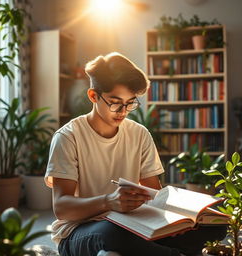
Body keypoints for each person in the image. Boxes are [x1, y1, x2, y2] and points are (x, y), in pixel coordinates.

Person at [45, 52, 226, 256]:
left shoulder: (139, 134)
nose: (123, 111)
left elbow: (154, 196)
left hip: (132, 223)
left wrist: (177, 219)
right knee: (114, 235)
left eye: (130, 102)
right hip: (81, 230)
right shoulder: (68, 137)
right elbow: (62, 207)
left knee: (214, 225)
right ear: (93, 96)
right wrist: (107, 201)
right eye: (115, 102)